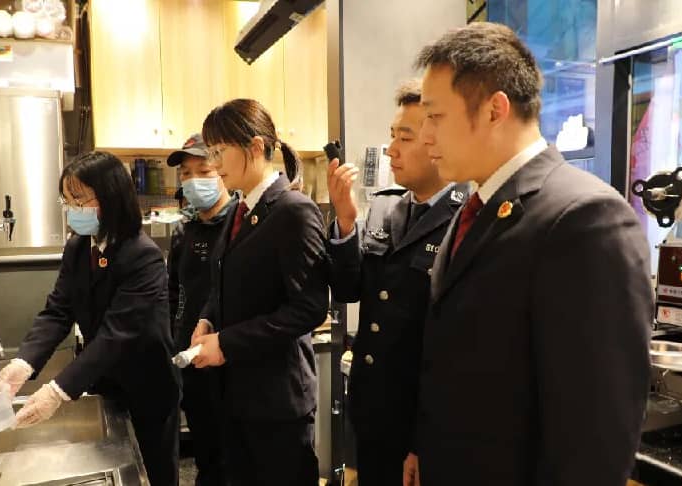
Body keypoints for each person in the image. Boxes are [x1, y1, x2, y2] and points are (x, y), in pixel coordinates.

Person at [405, 22, 651, 486]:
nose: (425, 136)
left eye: (435, 117)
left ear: (495, 110)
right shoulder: (473, 208)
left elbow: (596, 435)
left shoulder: (585, 217)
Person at [0, 152, 181, 486]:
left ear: (111, 197)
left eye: (78, 200)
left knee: (154, 473)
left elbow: (116, 335)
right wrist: (23, 363)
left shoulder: (143, 256)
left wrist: (57, 391)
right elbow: (58, 310)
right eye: (67, 200)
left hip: (147, 388)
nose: (71, 209)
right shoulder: (79, 246)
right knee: (114, 464)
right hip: (104, 382)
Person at [325, 79, 467, 486]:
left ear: (436, 140)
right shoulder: (385, 207)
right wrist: (345, 221)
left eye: (404, 137)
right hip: (372, 412)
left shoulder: (466, 218)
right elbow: (349, 290)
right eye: (392, 136)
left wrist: (424, 439)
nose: (391, 149)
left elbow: (452, 351)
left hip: (422, 421)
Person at [188, 98, 329, 486]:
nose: (214, 163)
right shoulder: (239, 209)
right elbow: (224, 281)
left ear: (254, 147)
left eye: (219, 151)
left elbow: (310, 308)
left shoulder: (293, 210)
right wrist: (207, 319)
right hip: (237, 397)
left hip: (277, 404)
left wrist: (226, 343)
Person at [166, 133, 237, 486]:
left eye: (203, 171)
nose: (193, 181)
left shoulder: (241, 225)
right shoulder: (185, 230)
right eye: (186, 174)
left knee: (235, 461)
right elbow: (173, 292)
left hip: (231, 361)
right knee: (206, 458)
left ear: (222, 170)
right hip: (191, 363)